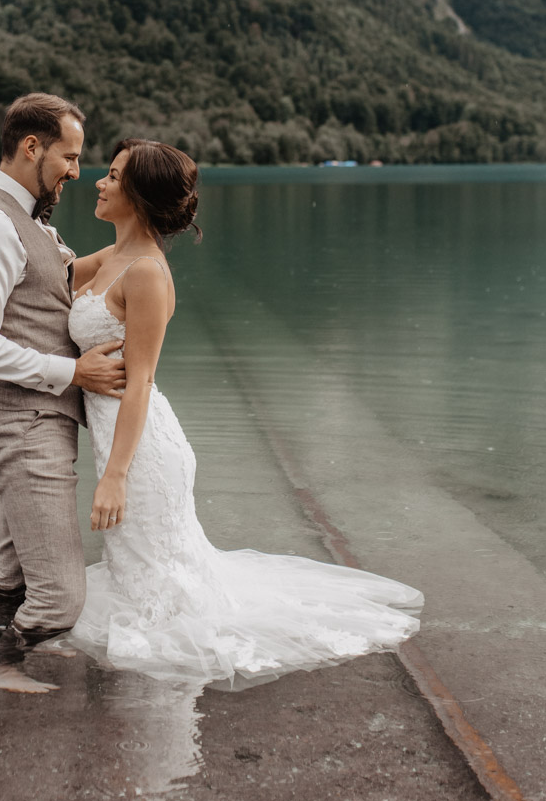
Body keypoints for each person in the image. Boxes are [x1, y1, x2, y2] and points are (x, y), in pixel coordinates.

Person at [67, 138, 423, 689]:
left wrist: (113, 478)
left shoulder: (147, 274)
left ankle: (160, 716)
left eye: (112, 176)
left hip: (139, 453)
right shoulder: (110, 257)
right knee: (141, 575)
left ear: (137, 196)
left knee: (156, 589)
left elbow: (140, 383)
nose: (99, 182)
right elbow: (54, 272)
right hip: (120, 438)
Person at [0, 92, 126, 693]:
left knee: (17, 576)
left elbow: (56, 284)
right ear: (32, 147)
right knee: (60, 599)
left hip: (32, 418)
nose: (77, 172)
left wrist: (140, 237)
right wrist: (73, 373)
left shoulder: (29, 222)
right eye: (70, 157)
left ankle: (1, 649)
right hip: (18, 423)